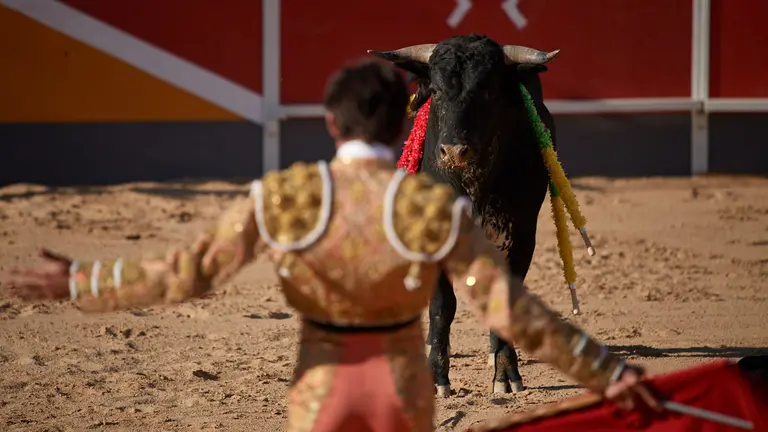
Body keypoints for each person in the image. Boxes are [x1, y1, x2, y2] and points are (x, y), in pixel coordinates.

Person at [5, 58, 660, 432]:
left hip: (321, 392)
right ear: (413, 117)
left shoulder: (288, 198)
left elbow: (185, 274)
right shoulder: (432, 208)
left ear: (328, 121)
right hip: (403, 395)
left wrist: (82, 282)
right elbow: (515, 315)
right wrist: (609, 372)